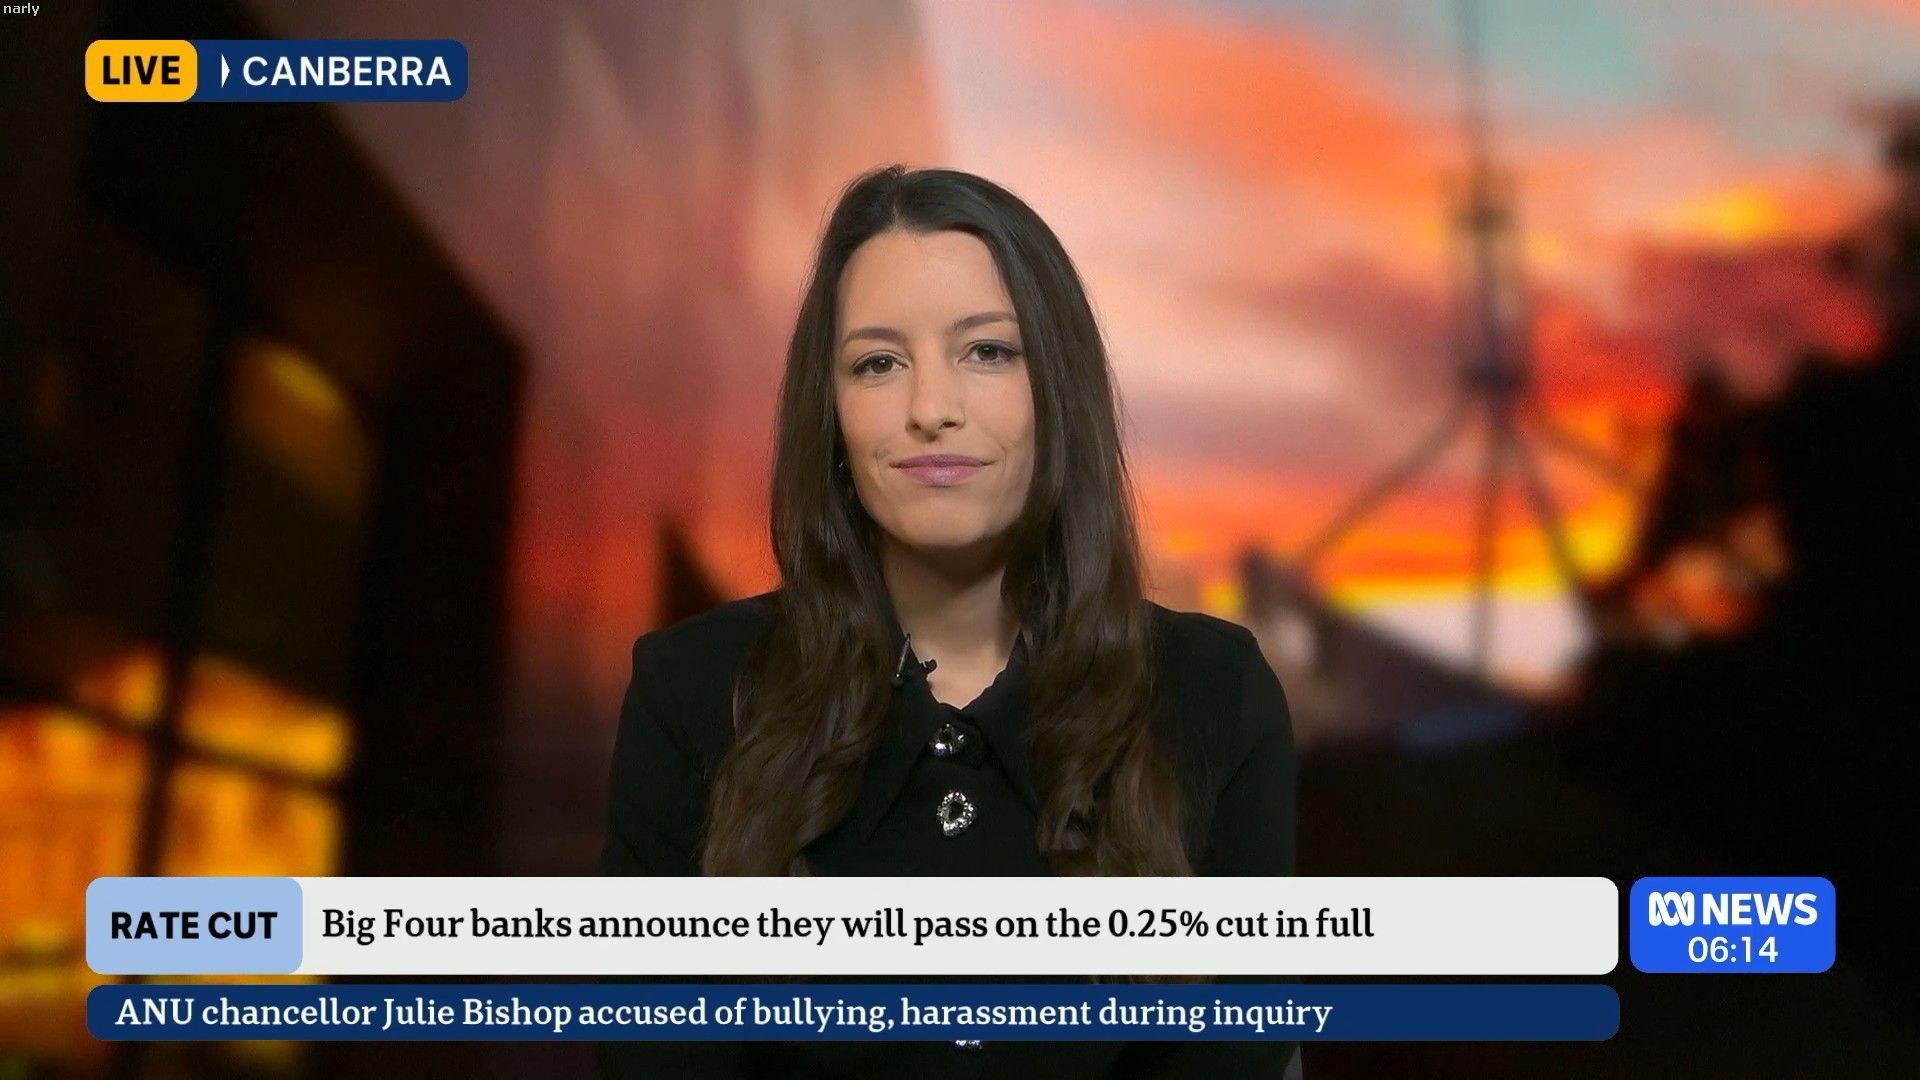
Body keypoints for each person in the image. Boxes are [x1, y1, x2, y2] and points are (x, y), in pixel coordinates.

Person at [600, 165, 1300, 1078]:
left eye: (987, 352)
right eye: (878, 364)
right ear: (831, 416)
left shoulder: (1212, 694)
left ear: (1058, 390)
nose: (931, 409)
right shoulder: (693, 692)